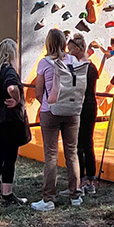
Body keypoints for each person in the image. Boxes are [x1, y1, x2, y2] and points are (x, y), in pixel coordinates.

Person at [32, 28, 82, 211]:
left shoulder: (44, 63)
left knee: (51, 155)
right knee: (72, 152)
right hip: (72, 111)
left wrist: (47, 103)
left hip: (50, 111)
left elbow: (38, 91)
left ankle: (48, 199)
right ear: (63, 43)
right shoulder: (73, 60)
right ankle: (75, 195)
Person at [0, 38, 29, 206]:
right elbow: (11, 87)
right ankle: (7, 194)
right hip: (8, 120)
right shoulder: (8, 70)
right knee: (9, 157)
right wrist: (16, 99)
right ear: (11, 54)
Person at [67, 33, 99, 195]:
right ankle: (83, 179)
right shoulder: (85, 67)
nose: (68, 53)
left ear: (78, 50)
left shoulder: (86, 67)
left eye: (71, 50)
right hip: (82, 106)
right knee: (80, 143)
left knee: (84, 142)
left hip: (85, 107)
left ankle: (87, 179)